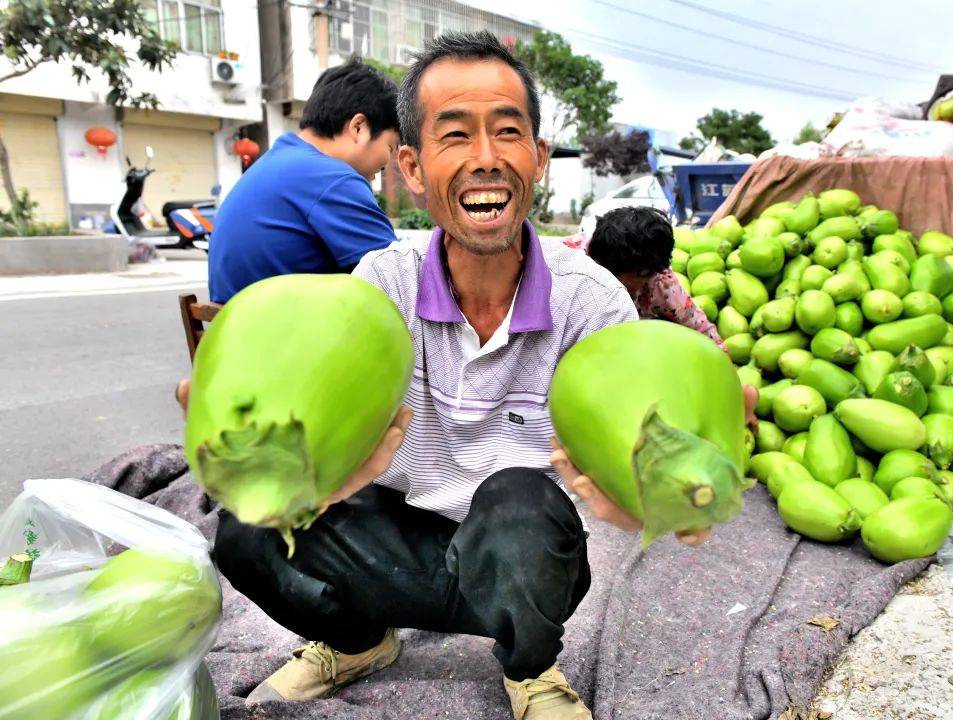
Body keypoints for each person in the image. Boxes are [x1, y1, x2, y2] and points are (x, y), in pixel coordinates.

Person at [210, 32, 734, 720]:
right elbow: (317, 414)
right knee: (243, 528)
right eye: (454, 135)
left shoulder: (590, 298)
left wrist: (669, 487)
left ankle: (531, 670)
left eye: (508, 132)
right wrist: (258, 421)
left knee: (518, 499)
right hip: (392, 538)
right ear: (413, 166)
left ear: (538, 159)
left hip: (520, 559)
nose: (485, 158)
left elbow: (641, 438)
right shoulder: (381, 286)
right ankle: (357, 642)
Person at [208, 58, 400, 304]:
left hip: (235, 337)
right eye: (391, 146)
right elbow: (397, 278)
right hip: (292, 339)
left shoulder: (274, 164)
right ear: (359, 127)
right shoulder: (334, 179)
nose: (388, 162)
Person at [571, 206, 758, 425]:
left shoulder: (661, 284)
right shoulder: (563, 269)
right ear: (600, 263)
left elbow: (705, 334)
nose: (615, 287)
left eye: (645, 276)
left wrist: (734, 397)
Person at [581, 205, 726, 348]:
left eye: (646, 274)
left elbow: (699, 327)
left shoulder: (660, 282)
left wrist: (723, 361)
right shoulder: (570, 269)